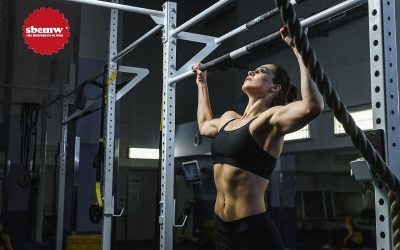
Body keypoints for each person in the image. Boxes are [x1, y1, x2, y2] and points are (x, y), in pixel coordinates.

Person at [192, 25, 324, 250]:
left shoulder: (269, 120)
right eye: (252, 70)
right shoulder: (229, 118)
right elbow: (205, 125)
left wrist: (300, 48)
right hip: (221, 225)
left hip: (251, 228)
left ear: (274, 88)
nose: (251, 72)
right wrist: (202, 84)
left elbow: (313, 106)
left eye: (261, 71)